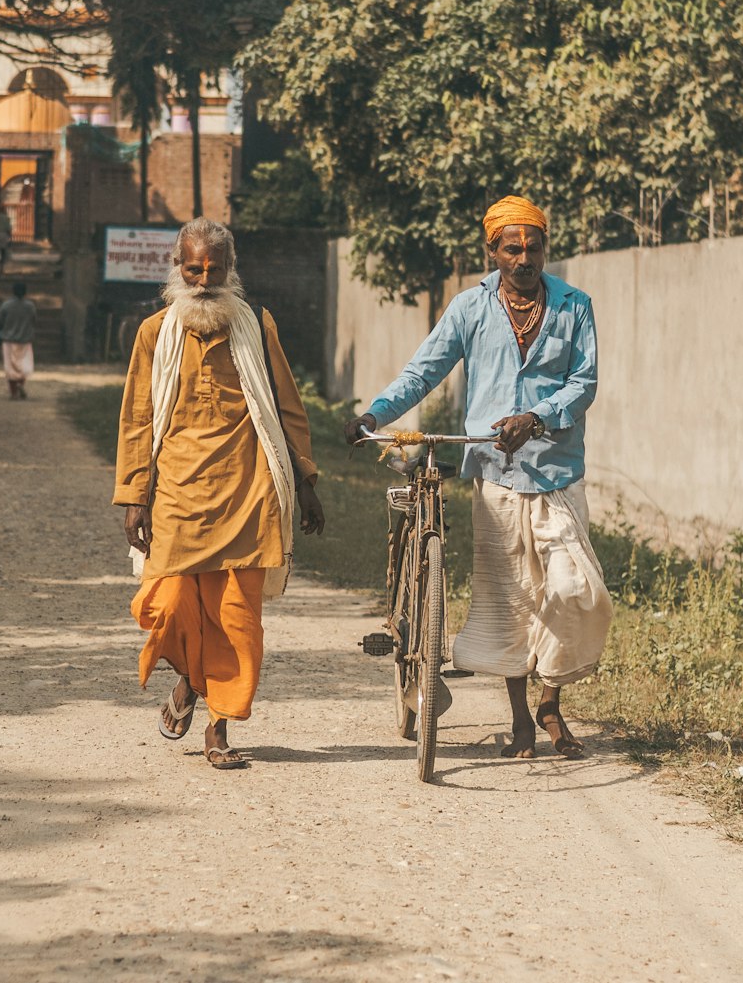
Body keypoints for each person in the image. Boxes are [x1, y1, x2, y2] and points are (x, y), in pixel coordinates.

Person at [345, 194, 612, 761]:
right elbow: (425, 371)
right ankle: (523, 717)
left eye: (532, 247)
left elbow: (584, 383)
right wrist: (375, 415)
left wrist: (537, 417)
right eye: (511, 248)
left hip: (558, 470)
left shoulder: (575, 306)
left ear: (545, 248)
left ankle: (552, 702)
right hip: (494, 475)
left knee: (571, 589)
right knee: (507, 598)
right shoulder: (470, 308)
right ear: (491, 251)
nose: (523, 258)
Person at [113, 217, 326, 771]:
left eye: (214, 268)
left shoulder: (255, 324)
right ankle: (189, 677)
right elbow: (137, 417)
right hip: (178, 494)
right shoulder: (155, 333)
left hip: (248, 491)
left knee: (235, 617)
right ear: (176, 270)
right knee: (166, 605)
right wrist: (135, 494)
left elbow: (286, 406)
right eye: (193, 269)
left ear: (231, 270)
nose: (204, 279)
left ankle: (219, 728)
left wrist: (305, 482)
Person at [0, 280, 36, 399]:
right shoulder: (30, 306)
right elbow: (33, 320)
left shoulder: (6, 305)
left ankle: (13, 392)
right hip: (25, 339)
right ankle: (20, 384)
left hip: (9, 340)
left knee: (10, 366)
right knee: (23, 365)